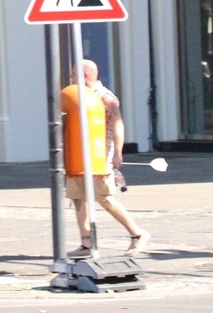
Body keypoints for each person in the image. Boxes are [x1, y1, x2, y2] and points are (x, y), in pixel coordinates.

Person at [62, 58, 149, 254]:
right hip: (78, 156)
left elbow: (118, 124)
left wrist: (118, 152)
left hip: (99, 156)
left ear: (84, 75)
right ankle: (86, 243)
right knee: (78, 197)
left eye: (73, 74)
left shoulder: (105, 97)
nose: (70, 77)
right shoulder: (79, 96)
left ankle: (137, 233)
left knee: (104, 197)